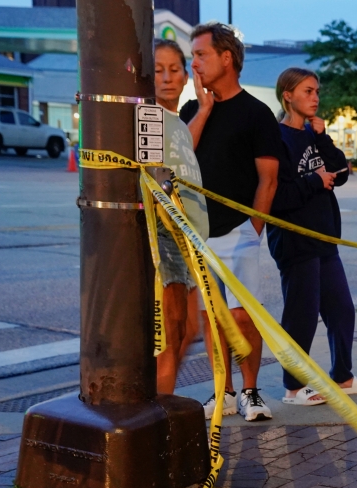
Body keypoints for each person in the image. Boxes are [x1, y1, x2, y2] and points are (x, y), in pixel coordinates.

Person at [180, 22, 279, 421]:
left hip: (239, 232)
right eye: (192, 56)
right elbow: (180, 159)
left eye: (200, 54)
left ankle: (250, 392)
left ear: (227, 58)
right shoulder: (192, 110)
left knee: (242, 316)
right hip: (199, 234)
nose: (194, 63)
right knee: (211, 318)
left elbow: (268, 179)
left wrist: (252, 230)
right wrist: (203, 109)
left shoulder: (257, 113)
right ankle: (222, 391)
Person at [270, 68, 357, 403]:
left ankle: (342, 377)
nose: (315, 97)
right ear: (287, 95)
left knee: (341, 309)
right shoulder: (277, 139)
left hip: (324, 237)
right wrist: (315, 181)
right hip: (295, 239)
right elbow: (277, 196)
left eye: (317, 91)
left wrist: (323, 138)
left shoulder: (313, 134)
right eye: (307, 91)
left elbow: (342, 173)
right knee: (301, 316)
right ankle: (294, 387)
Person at [153, 39, 209, 394]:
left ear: (186, 75)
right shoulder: (147, 116)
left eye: (174, 69)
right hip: (165, 236)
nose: (167, 77)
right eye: (158, 70)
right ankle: (159, 421)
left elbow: (181, 147)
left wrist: (203, 109)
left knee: (189, 329)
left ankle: (163, 408)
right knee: (171, 336)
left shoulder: (174, 121)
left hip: (188, 240)